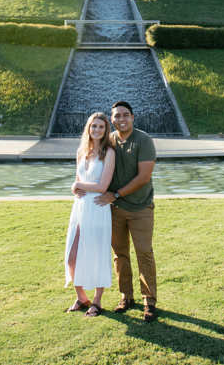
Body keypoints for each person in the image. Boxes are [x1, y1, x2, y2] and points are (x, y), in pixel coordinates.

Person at [93, 100, 158, 322]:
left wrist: (117, 194)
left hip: (140, 208)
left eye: (125, 115)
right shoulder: (108, 141)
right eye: (117, 116)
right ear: (111, 120)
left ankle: (149, 301)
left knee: (144, 254)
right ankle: (126, 297)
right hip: (115, 210)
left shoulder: (143, 140)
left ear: (132, 117)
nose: (121, 119)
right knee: (120, 255)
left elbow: (143, 177)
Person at [64, 112, 116, 317]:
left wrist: (78, 184)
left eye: (101, 127)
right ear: (88, 128)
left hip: (98, 206)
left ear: (106, 130)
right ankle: (81, 297)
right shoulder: (81, 152)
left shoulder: (109, 153)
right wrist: (74, 187)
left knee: (97, 252)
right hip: (79, 208)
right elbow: (78, 182)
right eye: (94, 126)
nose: (97, 130)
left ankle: (97, 301)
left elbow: (103, 186)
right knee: (72, 255)